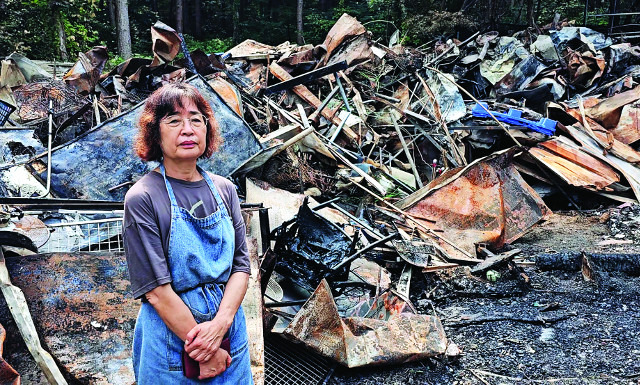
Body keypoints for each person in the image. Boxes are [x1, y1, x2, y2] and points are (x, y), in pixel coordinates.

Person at [123, 82, 253, 384]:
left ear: (207, 129)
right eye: (174, 120)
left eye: (196, 119)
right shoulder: (143, 197)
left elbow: (241, 266)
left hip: (229, 328)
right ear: (155, 133)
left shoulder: (224, 189)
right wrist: (206, 350)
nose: (187, 129)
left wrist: (220, 326)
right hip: (172, 336)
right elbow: (156, 290)